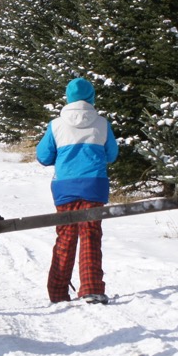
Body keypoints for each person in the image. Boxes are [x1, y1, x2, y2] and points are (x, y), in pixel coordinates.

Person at [35, 77, 119, 304]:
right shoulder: (102, 124)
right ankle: (91, 288)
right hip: (94, 184)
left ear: (68, 98)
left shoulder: (56, 125)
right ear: (92, 98)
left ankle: (58, 292)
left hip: (65, 187)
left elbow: (43, 157)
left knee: (66, 236)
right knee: (90, 233)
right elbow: (112, 155)